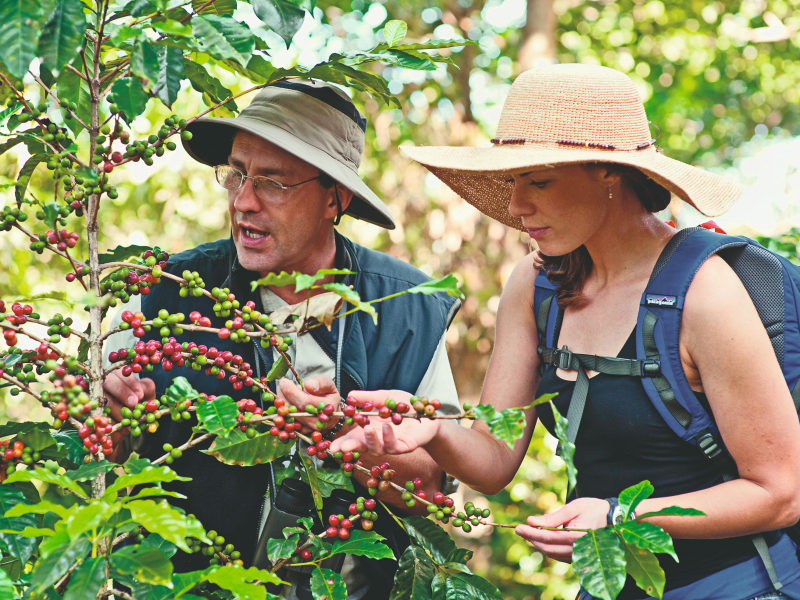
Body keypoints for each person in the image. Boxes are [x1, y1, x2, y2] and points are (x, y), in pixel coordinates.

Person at [330, 64, 800, 600]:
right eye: (513, 181)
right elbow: (493, 460)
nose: (515, 206)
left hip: (741, 584)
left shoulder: (704, 292)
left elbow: (780, 492)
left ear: (608, 172)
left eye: (541, 181)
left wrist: (620, 516)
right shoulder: (537, 284)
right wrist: (433, 428)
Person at [101, 81, 462, 598]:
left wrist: (344, 437)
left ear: (334, 198)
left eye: (274, 182)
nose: (244, 202)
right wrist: (109, 412)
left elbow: (428, 492)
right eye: (237, 174)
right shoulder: (165, 293)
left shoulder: (407, 312)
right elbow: (102, 449)